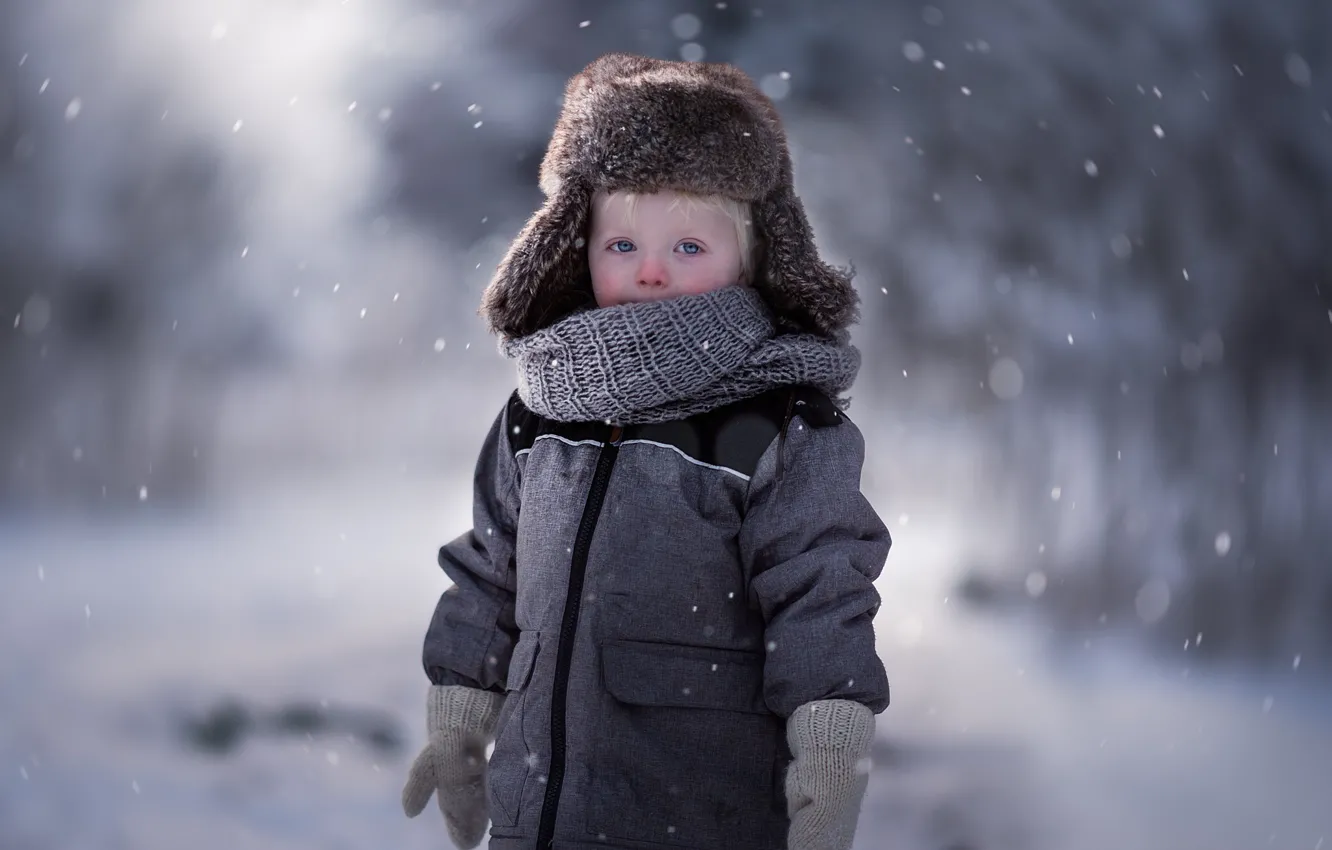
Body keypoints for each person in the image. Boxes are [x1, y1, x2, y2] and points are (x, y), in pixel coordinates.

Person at [401, 52, 891, 850]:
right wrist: (458, 714)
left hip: (699, 814)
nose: (651, 272)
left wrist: (830, 749)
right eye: (621, 245)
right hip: (540, 815)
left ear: (752, 259)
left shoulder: (772, 420)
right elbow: (492, 569)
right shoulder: (540, 413)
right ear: (575, 250)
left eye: (689, 248)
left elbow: (820, 591)